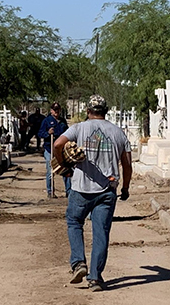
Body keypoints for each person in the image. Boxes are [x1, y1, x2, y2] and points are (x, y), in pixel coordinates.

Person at [54, 95, 132, 291]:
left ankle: (79, 263)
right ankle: (95, 278)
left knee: (74, 222)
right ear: (105, 111)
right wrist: (125, 188)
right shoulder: (118, 133)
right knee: (101, 232)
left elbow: (57, 144)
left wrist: (62, 163)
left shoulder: (79, 128)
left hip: (81, 188)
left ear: (88, 111)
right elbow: (127, 165)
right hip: (107, 190)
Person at [38, 102, 69, 198]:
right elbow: (40, 133)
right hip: (49, 148)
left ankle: (69, 191)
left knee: (65, 169)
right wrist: (48, 133)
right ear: (51, 111)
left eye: (58, 110)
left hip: (61, 149)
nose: (56, 112)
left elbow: (68, 132)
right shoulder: (46, 121)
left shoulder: (63, 121)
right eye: (54, 110)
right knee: (50, 171)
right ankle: (50, 191)